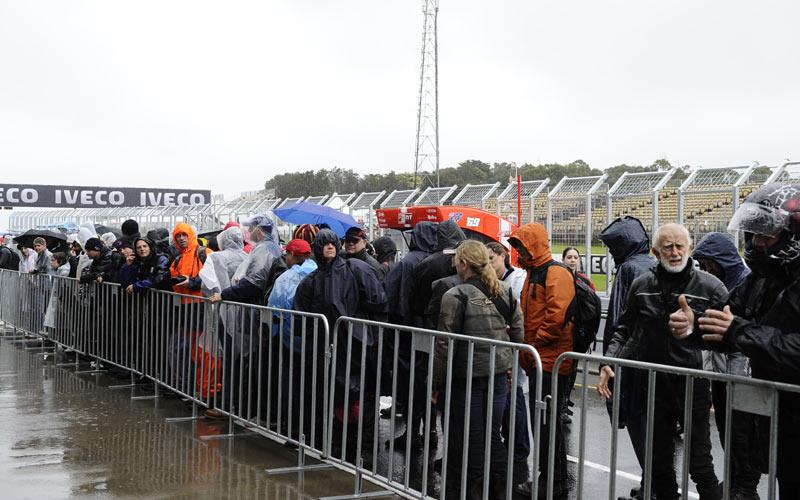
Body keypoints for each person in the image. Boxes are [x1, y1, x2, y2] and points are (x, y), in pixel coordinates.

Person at [672, 183, 800, 498]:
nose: (756, 243)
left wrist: (738, 331)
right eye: (753, 234)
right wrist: (694, 326)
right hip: (781, 417)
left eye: (765, 235)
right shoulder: (761, 279)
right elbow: (728, 319)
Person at [599, 223, 726, 500]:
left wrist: (697, 329)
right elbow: (625, 328)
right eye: (668, 246)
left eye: (680, 245)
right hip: (653, 384)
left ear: (689, 248)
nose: (675, 252)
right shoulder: (642, 284)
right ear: (656, 252)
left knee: (700, 464)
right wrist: (608, 361)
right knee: (658, 464)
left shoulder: (711, 286)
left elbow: (729, 337)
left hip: (693, 385)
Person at [433, 240, 523, 499]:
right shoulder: (505, 291)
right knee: (492, 436)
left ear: (463, 263)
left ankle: (472, 492)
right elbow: (518, 333)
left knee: (470, 439)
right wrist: (508, 361)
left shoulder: (454, 295)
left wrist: (436, 383)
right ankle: (498, 490)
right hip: (497, 375)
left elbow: (444, 345)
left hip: (466, 378)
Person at [294, 228, 387, 454]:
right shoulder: (311, 281)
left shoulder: (356, 269)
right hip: (329, 347)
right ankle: (339, 446)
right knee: (334, 397)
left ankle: (362, 448)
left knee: (360, 396)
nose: (329, 247)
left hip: (356, 345)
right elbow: (301, 320)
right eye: (324, 243)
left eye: (333, 243)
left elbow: (379, 300)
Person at [690, 232, 759, 499]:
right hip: (724, 373)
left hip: (741, 376)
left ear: (722, 261)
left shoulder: (744, 283)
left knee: (741, 434)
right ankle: (734, 482)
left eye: (708, 262)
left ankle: (744, 487)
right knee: (728, 431)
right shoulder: (726, 283)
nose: (706, 268)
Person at [508, 223, 575, 499]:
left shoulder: (554, 273)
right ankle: (551, 478)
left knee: (547, 425)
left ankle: (552, 480)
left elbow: (556, 318)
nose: (518, 252)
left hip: (550, 362)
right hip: (539, 360)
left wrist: (532, 346)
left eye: (521, 247)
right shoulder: (535, 273)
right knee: (545, 425)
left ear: (533, 245)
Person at [598, 216, 657, 500]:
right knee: (656, 426)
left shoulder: (629, 268)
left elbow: (620, 320)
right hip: (657, 360)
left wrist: (609, 360)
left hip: (632, 363)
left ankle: (652, 486)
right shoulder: (653, 263)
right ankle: (654, 482)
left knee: (638, 422)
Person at [486, 241, 531, 493]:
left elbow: (517, 315)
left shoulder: (518, 280)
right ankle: (509, 446)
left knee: (515, 397)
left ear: (503, 257)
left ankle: (519, 450)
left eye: (492, 258)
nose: (490, 264)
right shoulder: (494, 282)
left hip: (514, 349)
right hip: (501, 350)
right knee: (506, 398)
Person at [266, 239, 317, 435]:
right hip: (313, 338)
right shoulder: (319, 272)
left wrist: (272, 332)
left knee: (291, 383)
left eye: (287, 254)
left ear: (293, 256)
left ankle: (292, 426)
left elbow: (275, 308)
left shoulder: (287, 278)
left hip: (290, 337)